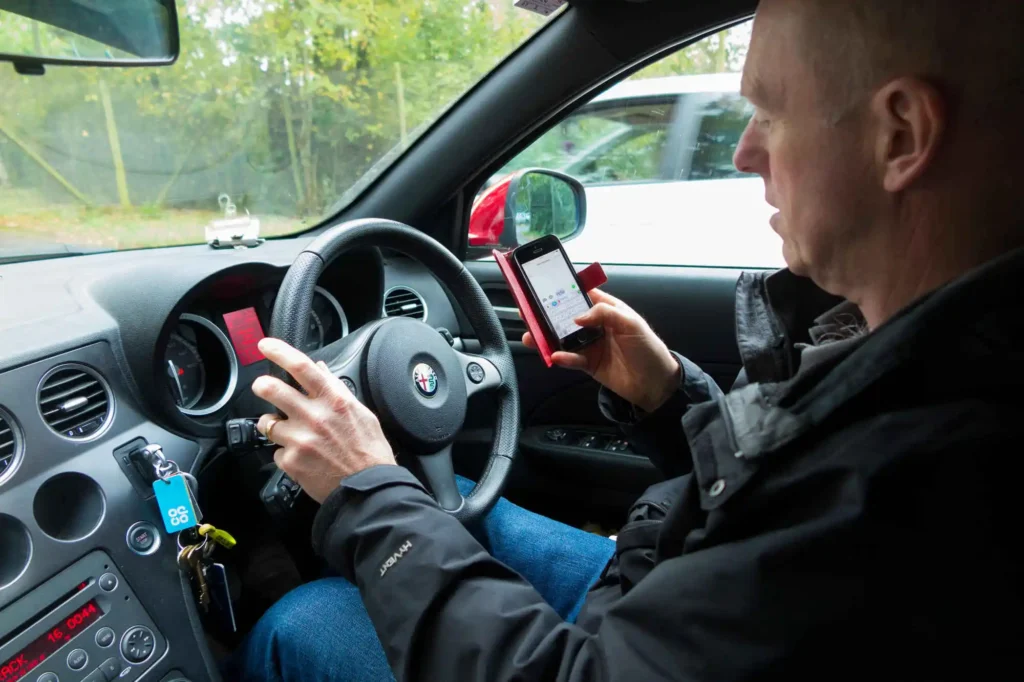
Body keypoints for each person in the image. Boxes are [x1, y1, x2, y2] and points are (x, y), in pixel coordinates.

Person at [227, 0, 1024, 679]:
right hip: (676, 585)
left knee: (300, 621)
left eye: (771, 113)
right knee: (473, 519)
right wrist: (674, 400)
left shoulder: (922, 476)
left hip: (638, 634)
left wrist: (368, 489)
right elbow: (770, 491)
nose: (745, 153)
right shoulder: (917, 353)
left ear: (901, 135)